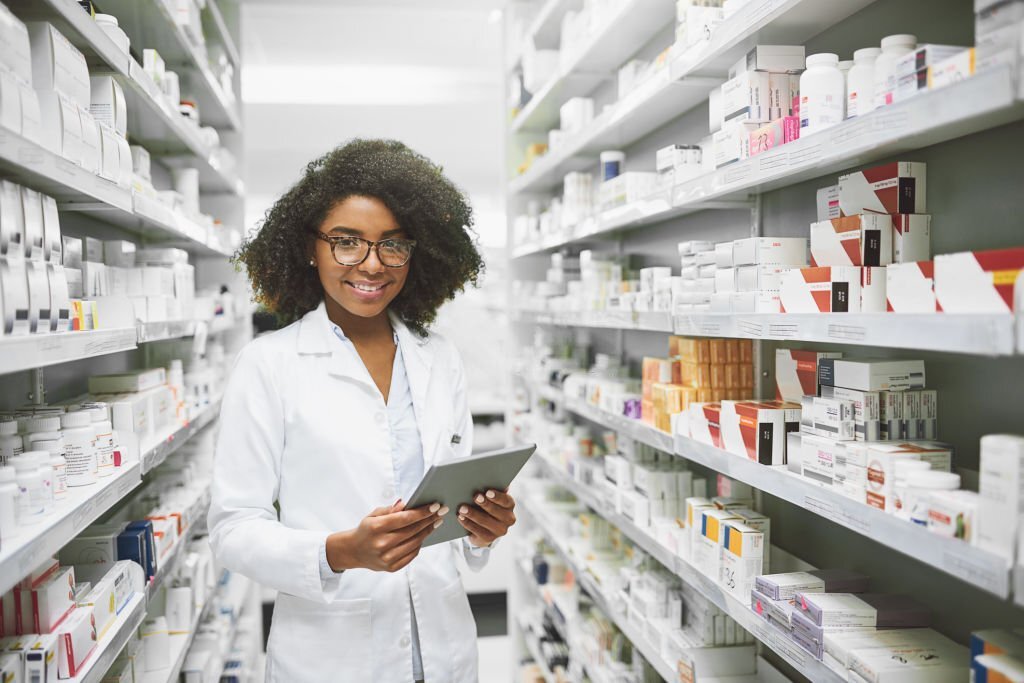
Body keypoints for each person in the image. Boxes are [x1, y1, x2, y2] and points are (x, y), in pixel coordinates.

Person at [208, 139, 517, 682]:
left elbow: (453, 504)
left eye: (392, 245)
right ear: (310, 247)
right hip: (332, 654)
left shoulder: (438, 358)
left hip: (443, 649)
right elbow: (234, 528)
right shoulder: (269, 364)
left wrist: (481, 529)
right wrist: (340, 551)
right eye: (347, 243)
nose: (371, 265)